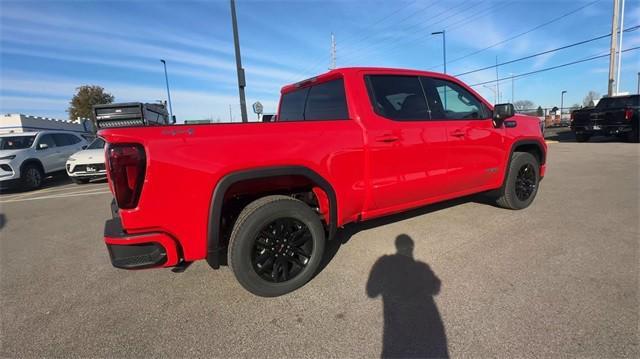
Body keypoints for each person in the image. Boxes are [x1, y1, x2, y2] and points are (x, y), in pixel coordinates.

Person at [366, 234, 448, 358]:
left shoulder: (384, 262)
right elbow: (435, 288)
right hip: (423, 326)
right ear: (411, 247)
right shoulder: (422, 267)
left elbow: (371, 292)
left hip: (393, 331)